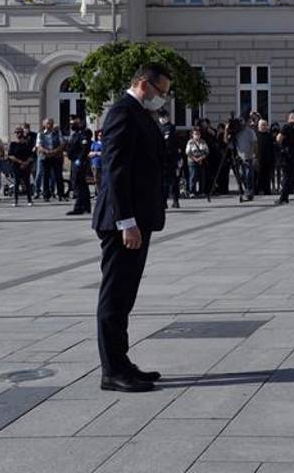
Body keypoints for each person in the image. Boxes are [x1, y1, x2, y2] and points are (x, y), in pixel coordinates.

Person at [91, 63, 171, 392]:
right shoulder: (122, 112)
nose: (163, 98)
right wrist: (127, 221)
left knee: (125, 296)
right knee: (115, 295)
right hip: (123, 222)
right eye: (160, 91)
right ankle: (112, 370)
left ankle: (121, 362)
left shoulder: (139, 112)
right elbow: (115, 171)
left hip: (138, 218)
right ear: (143, 83)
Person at [65, 114, 93, 216]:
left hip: (79, 162)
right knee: (81, 184)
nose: (71, 124)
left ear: (79, 121)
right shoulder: (75, 134)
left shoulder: (84, 133)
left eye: (73, 122)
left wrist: (80, 160)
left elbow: (85, 148)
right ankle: (86, 207)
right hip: (74, 161)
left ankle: (79, 207)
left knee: (77, 183)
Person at [36, 118, 64, 201]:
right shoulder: (41, 134)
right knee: (46, 176)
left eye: (51, 123)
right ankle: (46, 195)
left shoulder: (57, 132)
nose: (50, 125)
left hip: (56, 156)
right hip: (45, 157)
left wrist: (54, 151)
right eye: (48, 123)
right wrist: (47, 151)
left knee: (58, 176)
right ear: (44, 125)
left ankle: (60, 194)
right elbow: (39, 145)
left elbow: (62, 143)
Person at [158, 112, 181, 209]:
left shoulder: (169, 128)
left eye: (163, 117)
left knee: (170, 182)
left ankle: (171, 201)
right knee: (168, 181)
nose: (162, 119)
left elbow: (167, 143)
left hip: (169, 159)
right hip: (168, 159)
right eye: (161, 117)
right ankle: (169, 201)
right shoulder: (162, 128)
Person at [231, 117, 257, 201]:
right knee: (242, 175)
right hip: (239, 157)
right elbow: (229, 143)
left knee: (248, 175)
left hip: (248, 156)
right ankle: (247, 189)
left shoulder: (250, 132)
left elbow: (254, 143)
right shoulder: (237, 133)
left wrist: (254, 155)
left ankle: (249, 191)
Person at [8, 126, 35, 207]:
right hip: (16, 166)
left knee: (27, 182)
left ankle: (29, 200)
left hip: (26, 165)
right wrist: (20, 162)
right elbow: (10, 155)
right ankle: (15, 200)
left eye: (19, 132)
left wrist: (26, 163)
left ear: (22, 133)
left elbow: (31, 155)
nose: (17, 134)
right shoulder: (13, 144)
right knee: (16, 183)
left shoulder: (27, 144)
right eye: (16, 133)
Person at [254, 118, 275, 195]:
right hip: (258, 159)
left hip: (268, 159)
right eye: (263, 125)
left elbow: (272, 148)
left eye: (266, 125)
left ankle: (267, 190)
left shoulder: (269, 136)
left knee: (267, 176)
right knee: (258, 176)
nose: (265, 126)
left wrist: (272, 159)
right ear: (259, 126)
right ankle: (257, 190)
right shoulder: (255, 135)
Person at [185, 128, 209, 197]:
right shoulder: (190, 142)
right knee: (193, 177)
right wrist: (195, 159)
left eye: (198, 134)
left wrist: (201, 158)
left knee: (202, 177)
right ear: (192, 135)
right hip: (192, 161)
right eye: (195, 134)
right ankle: (192, 192)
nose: (197, 135)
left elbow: (206, 151)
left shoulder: (203, 141)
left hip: (201, 161)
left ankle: (201, 191)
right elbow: (188, 152)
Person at [89, 129, 104, 195]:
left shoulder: (105, 144)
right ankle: (98, 193)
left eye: (101, 135)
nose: (100, 137)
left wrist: (96, 153)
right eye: (99, 135)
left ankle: (102, 193)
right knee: (96, 180)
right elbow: (90, 154)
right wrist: (97, 153)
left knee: (103, 180)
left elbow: (105, 153)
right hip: (95, 164)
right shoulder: (94, 144)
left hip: (103, 164)